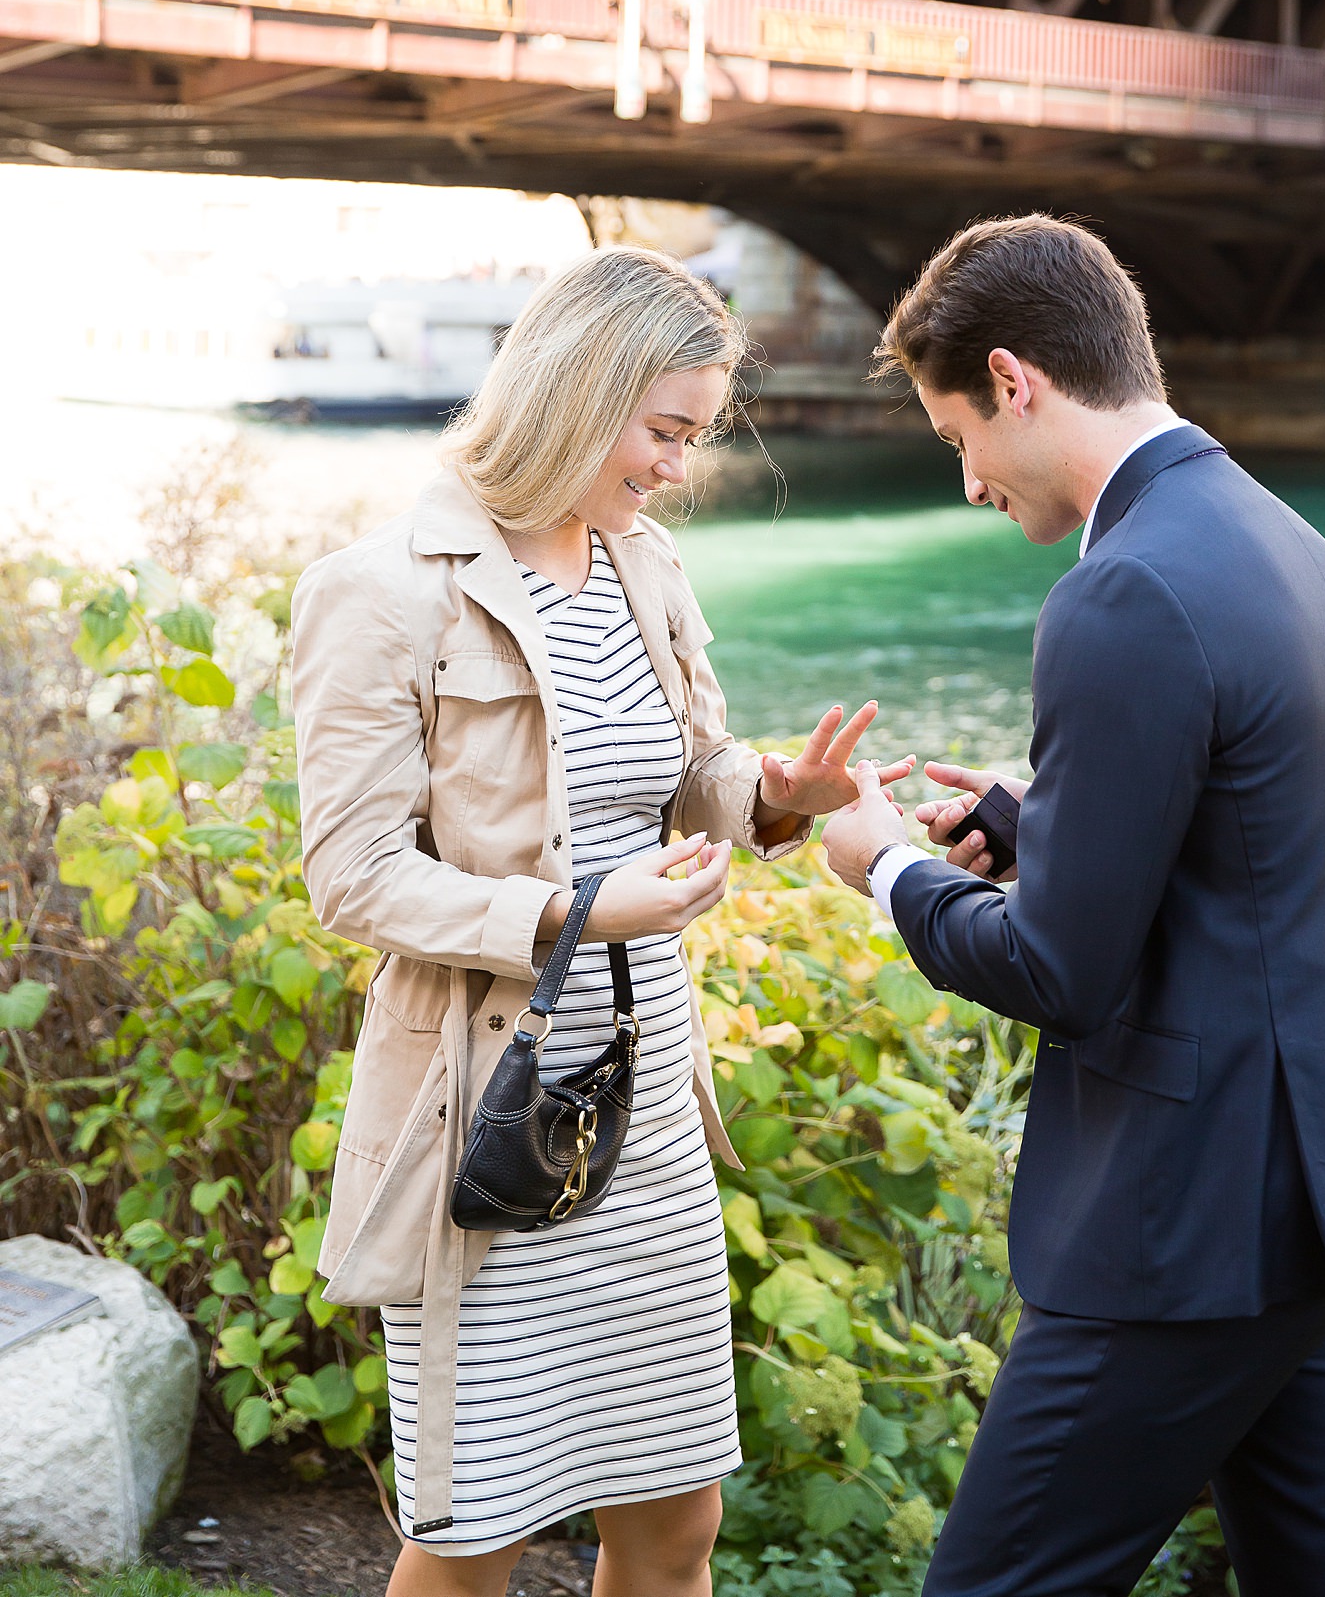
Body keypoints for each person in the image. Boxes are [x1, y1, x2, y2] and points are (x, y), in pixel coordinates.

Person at [822, 213, 1325, 1597]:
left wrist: (886, 862)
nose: (970, 483)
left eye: (958, 440)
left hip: (1187, 1226)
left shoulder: (1118, 589)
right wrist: (1030, 820)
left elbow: (1060, 969)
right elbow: (1259, 842)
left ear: (1014, 379)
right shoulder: (1284, 537)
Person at [291, 247, 912, 1597]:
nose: (677, 468)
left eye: (690, 436)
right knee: (471, 1539)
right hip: (487, 1117)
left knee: (677, 1521)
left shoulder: (646, 561)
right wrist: (577, 912)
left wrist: (777, 796)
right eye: (667, 432)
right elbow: (352, 877)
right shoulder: (383, 589)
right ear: (581, 391)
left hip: (644, 1112)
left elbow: (689, 767)